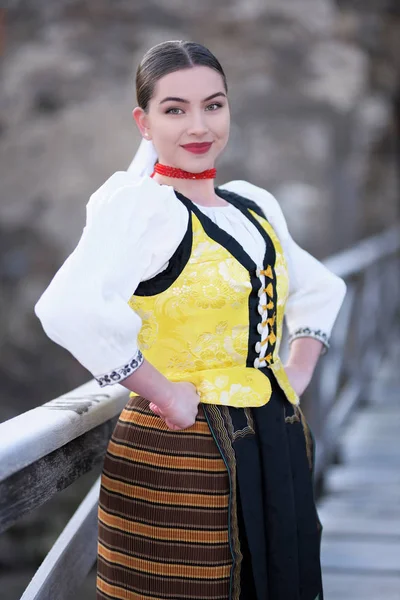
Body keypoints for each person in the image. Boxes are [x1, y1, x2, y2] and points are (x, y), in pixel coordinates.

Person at [34, 40, 346, 600]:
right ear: (144, 121)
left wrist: (295, 373)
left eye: (214, 105)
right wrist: (161, 390)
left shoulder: (253, 204)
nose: (198, 125)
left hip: (277, 439)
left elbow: (318, 287)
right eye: (174, 109)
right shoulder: (142, 209)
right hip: (183, 451)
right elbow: (67, 306)